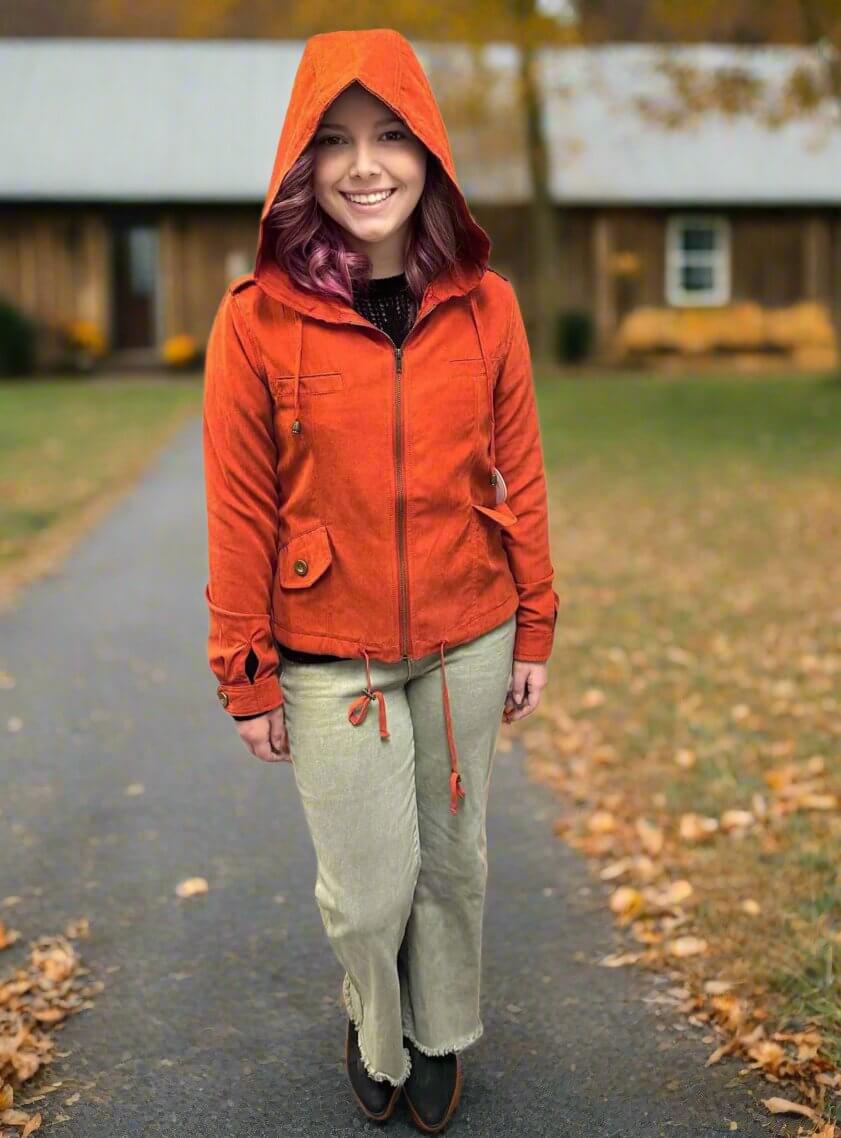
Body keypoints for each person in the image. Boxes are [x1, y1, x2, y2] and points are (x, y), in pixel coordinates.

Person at [202, 28, 560, 1134]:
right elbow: (239, 511)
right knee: (371, 888)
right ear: (300, 168)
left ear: (430, 155)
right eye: (337, 142)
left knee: (453, 865)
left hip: (468, 630)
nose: (367, 165)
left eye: (392, 136)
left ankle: (441, 1031)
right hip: (329, 651)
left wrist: (535, 625)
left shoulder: (487, 306)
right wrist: (245, 669)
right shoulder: (253, 323)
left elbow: (522, 468)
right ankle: (374, 1017)